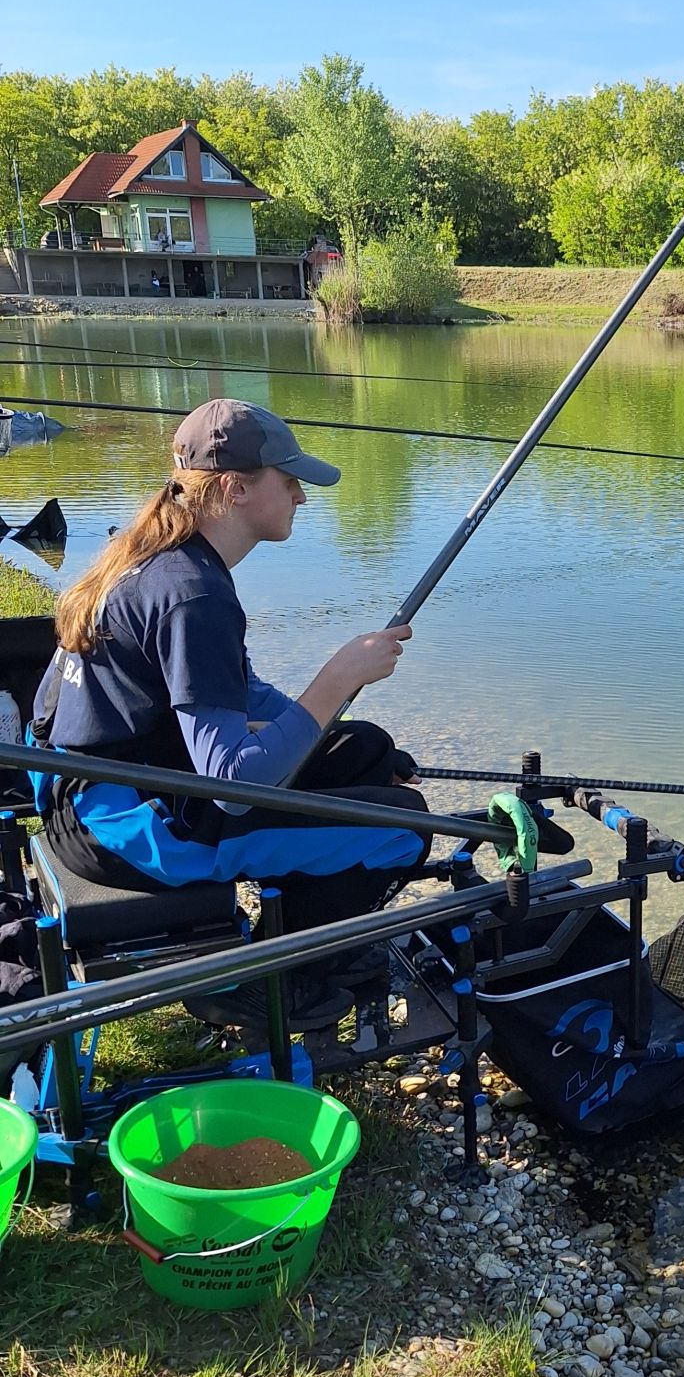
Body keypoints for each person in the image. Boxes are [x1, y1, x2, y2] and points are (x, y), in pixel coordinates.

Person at [30, 398, 431, 1029]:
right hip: (129, 830)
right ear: (234, 489)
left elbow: (241, 694)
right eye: (288, 480)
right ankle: (265, 982)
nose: (301, 495)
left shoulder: (161, 557)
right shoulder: (194, 593)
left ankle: (292, 924)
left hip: (90, 798)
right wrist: (337, 679)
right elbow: (234, 785)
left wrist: (339, 737)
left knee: (366, 751)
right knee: (404, 828)